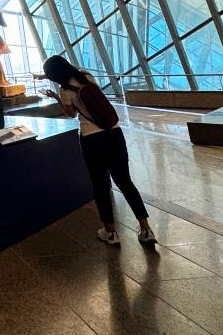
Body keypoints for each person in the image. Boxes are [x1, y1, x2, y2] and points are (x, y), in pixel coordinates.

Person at [39, 55, 156, 246]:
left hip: (91, 138)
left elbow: (72, 114)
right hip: (114, 132)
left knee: (100, 185)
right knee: (125, 181)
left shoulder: (64, 90)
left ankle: (110, 233)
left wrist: (57, 98)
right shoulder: (86, 76)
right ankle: (146, 229)